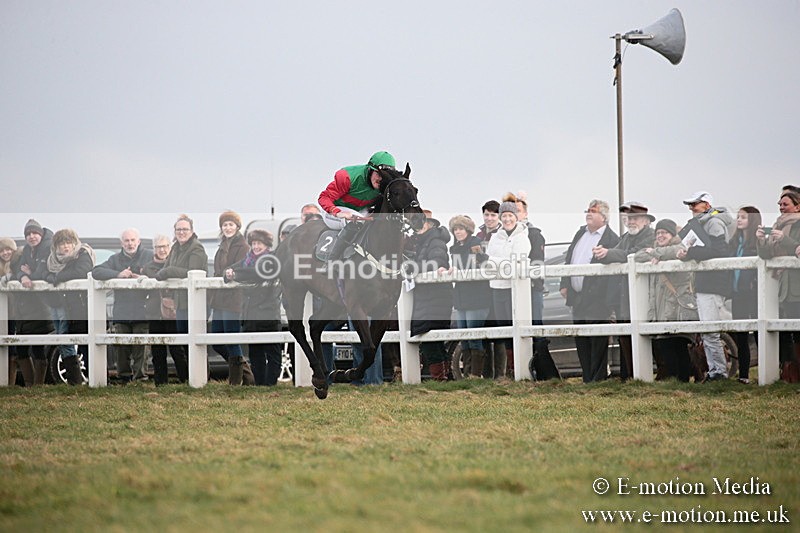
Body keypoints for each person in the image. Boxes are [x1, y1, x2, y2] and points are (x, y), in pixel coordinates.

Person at [594, 201, 656, 380]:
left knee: (645, 337)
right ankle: (629, 377)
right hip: (625, 297)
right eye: (628, 218)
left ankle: (644, 376)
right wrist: (602, 254)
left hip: (643, 297)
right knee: (625, 337)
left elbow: (634, 254)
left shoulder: (649, 236)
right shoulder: (626, 237)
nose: (630, 222)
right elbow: (617, 252)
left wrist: (608, 254)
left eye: (634, 218)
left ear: (645, 220)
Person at [560, 199, 620, 383]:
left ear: (604, 216)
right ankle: (587, 378)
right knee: (581, 339)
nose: (588, 213)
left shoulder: (612, 239)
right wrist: (565, 283)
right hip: (577, 296)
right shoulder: (580, 233)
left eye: (593, 211)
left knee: (597, 340)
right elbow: (569, 258)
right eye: (587, 210)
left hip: (597, 298)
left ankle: (598, 378)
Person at [676, 191, 734, 382]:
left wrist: (691, 252)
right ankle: (715, 370)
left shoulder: (714, 223)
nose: (691, 208)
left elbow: (720, 250)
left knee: (710, 331)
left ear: (707, 205)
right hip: (708, 283)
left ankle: (718, 372)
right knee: (708, 330)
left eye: (695, 204)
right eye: (690, 205)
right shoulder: (705, 223)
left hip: (713, 283)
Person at [633, 219, 694, 381]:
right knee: (666, 346)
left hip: (676, 306)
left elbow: (679, 250)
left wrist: (656, 253)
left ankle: (682, 381)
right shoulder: (655, 248)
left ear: (672, 234)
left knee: (679, 345)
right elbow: (637, 257)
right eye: (658, 233)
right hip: (660, 307)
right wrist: (655, 252)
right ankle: (675, 382)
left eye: (664, 233)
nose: (660, 236)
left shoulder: (681, 247)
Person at [34, 229, 96, 385]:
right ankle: (74, 380)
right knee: (64, 339)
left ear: (74, 243)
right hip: (60, 304)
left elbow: (82, 271)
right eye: (62, 243)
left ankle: (94, 379)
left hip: (82, 307)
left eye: (69, 242)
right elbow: (41, 272)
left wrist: (58, 277)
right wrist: (49, 277)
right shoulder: (51, 259)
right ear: (56, 246)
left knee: (85, 343)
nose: (66, 247)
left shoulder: (83, 254)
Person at [92, 228, 153, 383]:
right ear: (121, 243)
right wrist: (118, 275)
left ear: (138, 241)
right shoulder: (115, 259)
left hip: (143, 309)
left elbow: (159, 271)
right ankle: (123, 377)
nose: (130, 243)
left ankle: (140, 378)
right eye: (126, 240)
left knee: (141, 347)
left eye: (133, 240)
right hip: (122, 310)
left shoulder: (149, 256)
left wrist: (145, 276)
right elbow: (96, 271)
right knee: (121, 347)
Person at [225, 229, 284, 386]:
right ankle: (259, 383)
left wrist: (236, 274)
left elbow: (257, 273)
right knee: (255, 352)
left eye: (259, 243)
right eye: (254, 243)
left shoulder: (271, 260)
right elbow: (230, 269)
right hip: (250, 313)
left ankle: (270, 384)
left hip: (268, 313)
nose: (256, 246)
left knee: (272, 352)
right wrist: (229, 273)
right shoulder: (247, 260)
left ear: (266, 245)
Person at [318, 151, 396, 265]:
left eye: (385, 176)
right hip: (333, 210)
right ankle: (331, 262)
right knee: (357, 222)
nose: (381, 180)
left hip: (358, 211)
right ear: (370, 170)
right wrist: (337, 212)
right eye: (378, 174)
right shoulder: (347, 177)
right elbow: (323, 197)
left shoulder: (386, 186)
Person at [156, 215, 208, 383]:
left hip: (194, 303)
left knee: (196, 342)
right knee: (184, 341)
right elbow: (163, 270)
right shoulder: (176, 248)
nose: (181, 232)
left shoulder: (196, 249)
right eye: (178, 229)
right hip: (181, 303)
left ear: (191, 231)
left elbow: (192, 271)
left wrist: (169, 270)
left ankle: (200, 378)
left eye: (185, 229)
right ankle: (189, 379)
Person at [757, 191, 800, 382]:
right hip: (784, 285)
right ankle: (791, 372)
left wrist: (784, 239)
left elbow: (797, 248)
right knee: (788, 330)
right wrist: (760, 240)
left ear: (797, 206)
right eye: (780, 204)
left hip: (796, 282)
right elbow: (767, 255)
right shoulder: (777, 225)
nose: (781, 207)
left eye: (785, 204)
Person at [486, 201, 531, 379]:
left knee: (516, 327)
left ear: (516, 217)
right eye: (504, 216)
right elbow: (491, 258)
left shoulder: (522, 237)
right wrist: (498, 262)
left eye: (510, 216)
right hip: (497, 286)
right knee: (503, 328)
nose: (507, 219)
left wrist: (496, 262)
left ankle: (518, 369)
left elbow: (516, 261)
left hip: (514, 288)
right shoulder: (496, 236)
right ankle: (510, 371)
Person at [410, 210, 453, 381]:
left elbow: (437, 264)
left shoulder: (435, 242)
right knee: (431, 339)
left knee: (430, 340)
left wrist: (412, 267)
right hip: (428, 297)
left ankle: (440, 378)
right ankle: (443, 376)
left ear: (430, 225)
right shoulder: (423, 242)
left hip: (435, 297)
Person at [11, 219, 54, 385]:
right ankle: (31, 385)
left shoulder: (47, 248)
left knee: (37, 348)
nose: (31, 236)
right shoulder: (27, 251)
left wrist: (31, 273)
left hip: (41, 307)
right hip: (25, 309)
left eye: (34, 233)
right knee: (21, 348)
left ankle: (38, 386)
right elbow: (18, 270)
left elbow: (43, 273)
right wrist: (23, 275)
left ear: (41, 234)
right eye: (28, 234)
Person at [209, 210, 249, 385]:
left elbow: (240, 269)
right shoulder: (221, 247)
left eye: (231, 224)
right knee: (217, 340)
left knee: (232, 339)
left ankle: (235, 381)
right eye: (225, 225)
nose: (227, 227)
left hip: (233, 299)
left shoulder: (243, 246)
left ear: (237, 226)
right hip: (219, 299)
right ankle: (247, 374)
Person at [142, 235, 188, 385]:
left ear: (170, 247)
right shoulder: (148, 267)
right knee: (157, 350)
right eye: (158, 247)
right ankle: (160, 383)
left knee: (177, 349)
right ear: (154, 249)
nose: (162, 250)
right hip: (155, 312)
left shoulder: (175, 264)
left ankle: (185, 379)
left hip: (172, 312)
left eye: (165, 246)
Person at [449, 214, 489, 377]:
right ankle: (467, 374)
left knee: (474, 336)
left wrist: (460, 269)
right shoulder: (454, 248)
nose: (458, 232)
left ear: (468, 230)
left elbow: (480, 263)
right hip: (461, 297)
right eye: (455, 229)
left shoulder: (475, 244)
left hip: (477, 297)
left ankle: (476, 374)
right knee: (463, 337)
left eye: (461, 229)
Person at [729, 206, 761, 384]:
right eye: (738, 217)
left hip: (754, 292)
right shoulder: (735, 242)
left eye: (743, 217)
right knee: (740, 334)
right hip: (737, 293)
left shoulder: (757, 242)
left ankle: (766, 372)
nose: (739, 220)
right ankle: (744, 376)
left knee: (759, 333)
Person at [1, 237, 34, 386]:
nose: (5, 252)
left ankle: (12, 382)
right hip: (4, 312)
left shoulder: (18, 261)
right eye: (2, 250)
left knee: (14, 348)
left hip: (16, 310)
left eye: (8, 249)